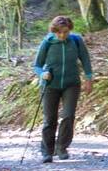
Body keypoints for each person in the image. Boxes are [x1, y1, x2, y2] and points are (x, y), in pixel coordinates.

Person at [32, 15, 93, 163]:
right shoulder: (47, 42)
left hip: (71, 83)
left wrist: (89, 79)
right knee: (50, 118)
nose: (62, 35)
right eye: (58, 32)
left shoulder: (76, 41)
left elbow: (85, 59)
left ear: (69, 30)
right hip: (50, 84)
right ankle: (47, 150)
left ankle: (62, 147)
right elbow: (37, 65)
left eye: (65, 32)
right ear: (54, 30)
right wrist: (42, 74)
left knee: (68, 115)